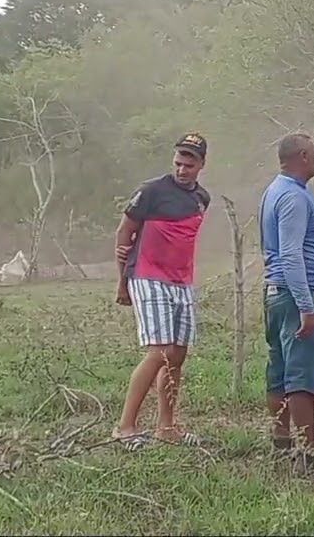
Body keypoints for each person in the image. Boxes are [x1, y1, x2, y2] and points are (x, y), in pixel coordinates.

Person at [111, 132, 212, 450]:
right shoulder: (150, 191)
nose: (182, 169)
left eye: (189, 164)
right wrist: (122, 281)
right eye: (178, 162)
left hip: (181, 280)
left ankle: (166, 426)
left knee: (178, 354)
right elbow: (125, 232)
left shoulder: (201, 199)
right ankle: (125, 427)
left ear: (201, 165)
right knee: (159, 352)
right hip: (147, 275)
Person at [259, 132, 314, 470]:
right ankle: (308, 455)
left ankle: (282, 443)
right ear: (303, 157)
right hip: (296, 296)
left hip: (278, 294)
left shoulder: (275, 191)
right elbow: (291, 255)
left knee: (279, 369)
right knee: (301, 375)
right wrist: (306, 306)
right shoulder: (293, 197)